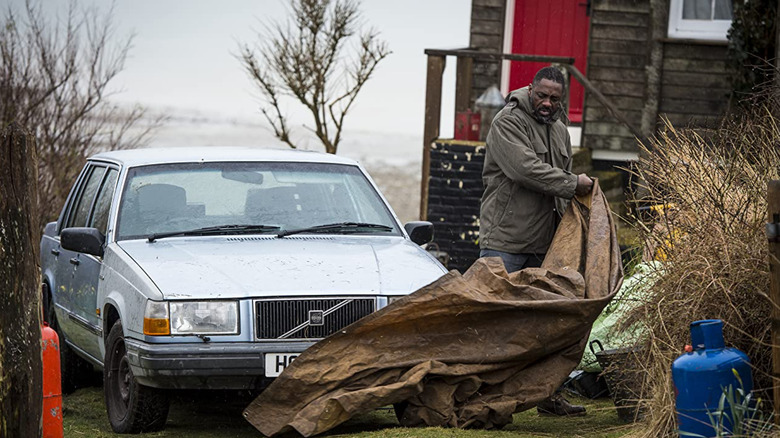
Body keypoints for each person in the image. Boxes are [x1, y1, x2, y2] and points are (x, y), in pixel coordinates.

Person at [478, 66, 594, 416]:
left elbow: (559, 185)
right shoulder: (507, 122)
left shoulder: (560, 129)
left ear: (562, 100)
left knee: (546, 325)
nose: (546, 102)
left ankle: (548, 397)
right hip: (506, 240)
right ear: (530, 89)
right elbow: (524, 169)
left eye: (554, 98)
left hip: (547, 244)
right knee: (497, 324)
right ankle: (486, 399)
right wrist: (574, 183)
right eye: (541, 95)